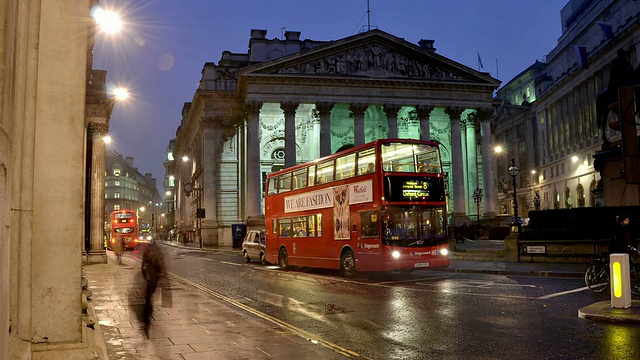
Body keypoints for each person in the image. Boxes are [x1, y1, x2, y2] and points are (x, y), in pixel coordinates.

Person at [141, 240, 166, 338]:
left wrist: (144, 275)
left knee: (148, 295)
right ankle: (148, 312)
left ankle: (147, 314)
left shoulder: (147, 252)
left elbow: (142, 265)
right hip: (154, 277)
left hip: (148, 277)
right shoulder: (157, 252)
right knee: (151, 294)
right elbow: (160, 264)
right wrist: (161, 272)